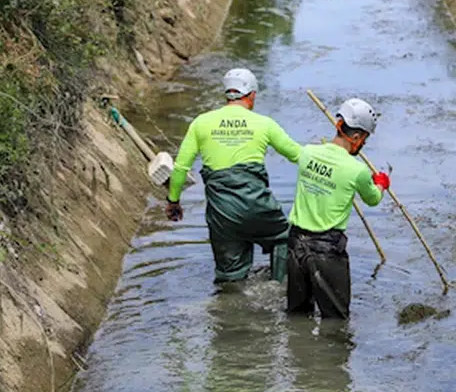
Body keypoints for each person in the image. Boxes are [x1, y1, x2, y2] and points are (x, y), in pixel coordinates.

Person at [167, 67, 302, 283]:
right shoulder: (265, 124)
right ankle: (279, 287)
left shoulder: (201, 123)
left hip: (222, 214)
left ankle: (229, 298)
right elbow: (299, 156)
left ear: (227, 94)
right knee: (285, 238)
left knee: (229, 276)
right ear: (252, 95)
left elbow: (181, 167)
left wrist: (173, 201)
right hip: (258, 207)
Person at [286, 98, 390, 320]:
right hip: (326, 251)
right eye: (364, 140)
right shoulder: (357, 170)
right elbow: (372, 199)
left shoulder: (308, 153)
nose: (363, 145)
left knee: (297, 316)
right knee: (336, 321)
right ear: (356, 137)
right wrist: (381, 184)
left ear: (339, 125)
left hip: (295, 246)